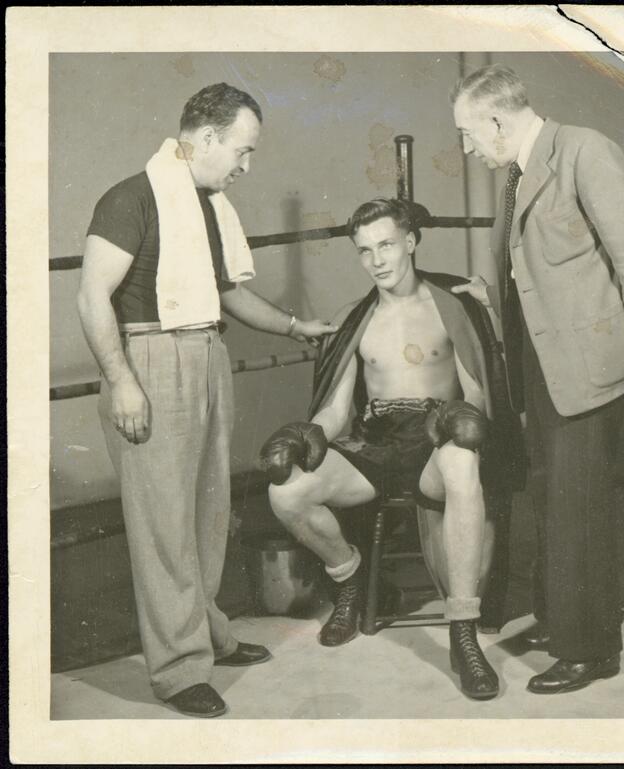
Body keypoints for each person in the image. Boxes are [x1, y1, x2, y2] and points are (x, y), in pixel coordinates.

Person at [76, 82, 338, 718]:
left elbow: (227, 294)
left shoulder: (206, 205)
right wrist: (123, 382)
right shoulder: (131, 198)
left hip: (207, 354)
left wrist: (293, 326)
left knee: (207, 511)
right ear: (208, 138)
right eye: (242, 150)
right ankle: (176, 670)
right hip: (151, 359)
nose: (246, 166)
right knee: (165, 524)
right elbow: (91, 297)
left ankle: (210, 636)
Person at [450, 64, 624, 694]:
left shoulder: (583, 151)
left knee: (578, 507)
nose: (467, 149)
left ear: (497, 121)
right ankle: (557, 620)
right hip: (540, 367)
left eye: (469, 134)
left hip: (587, 366)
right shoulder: (518, 174)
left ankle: (589, 649)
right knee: (552, 499)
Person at [259, 198, 523, 701]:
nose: (377, 260)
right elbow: (336, 411)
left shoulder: (450, 305)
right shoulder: (357, 319)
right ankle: (352, 580)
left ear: (410, 242)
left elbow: (477, 393)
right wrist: (308, 434)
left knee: (463, 463)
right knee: (287, 492)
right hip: (375, 443)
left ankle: (462, 634)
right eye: (364, 251)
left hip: (435, 440)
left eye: (385, 245)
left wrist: (459, 418)